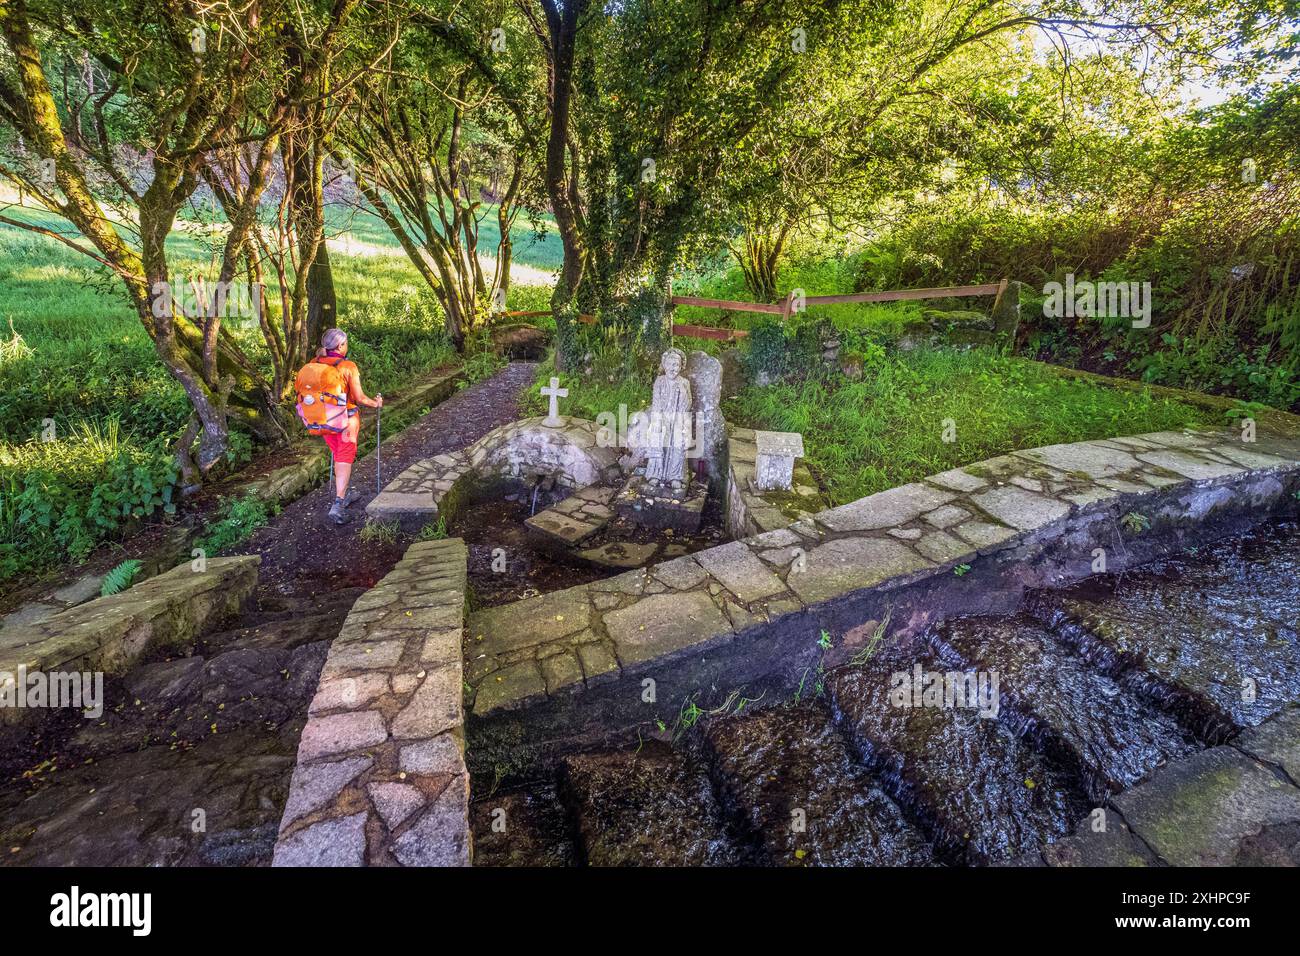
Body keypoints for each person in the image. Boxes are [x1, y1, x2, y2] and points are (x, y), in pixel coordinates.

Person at [314, 328, 383, 524]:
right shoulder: (348, 366)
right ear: (341, 346)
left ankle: (345, 492)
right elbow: (359, 398)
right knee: (345, 457)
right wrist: (376, 403)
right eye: (346, 343)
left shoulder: (315, 363)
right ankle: (338, 503)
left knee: (338, 455)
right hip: (345, 420)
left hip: (323, 420)